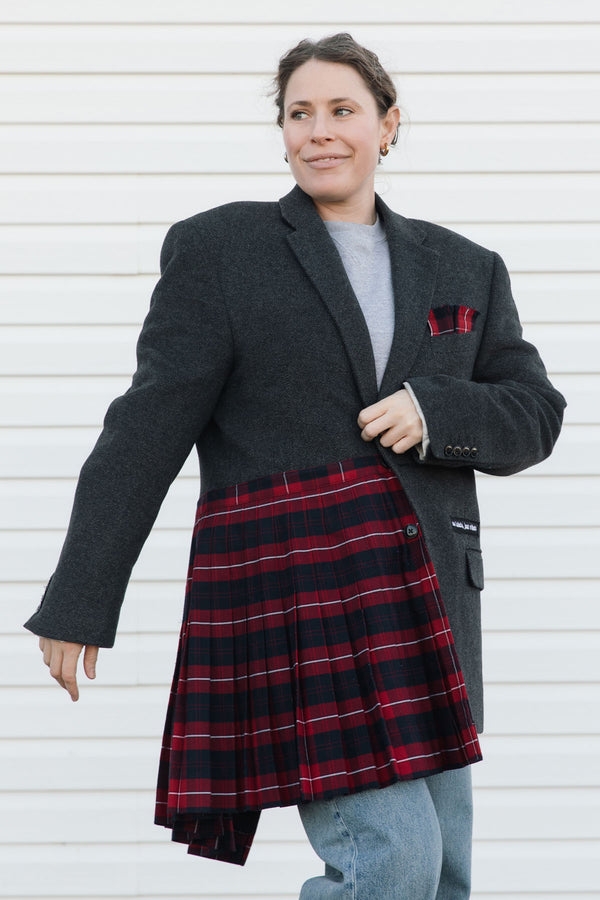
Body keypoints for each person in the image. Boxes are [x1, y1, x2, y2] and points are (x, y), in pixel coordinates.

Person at [25, 32, 565, 899]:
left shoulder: (467, 266)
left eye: (342, 110)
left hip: (429, 602)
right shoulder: (222, 250)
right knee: (393, 863)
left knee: (445, 876)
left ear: (388, 125)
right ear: (281, 132)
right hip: (304, 594)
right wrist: (81, 599)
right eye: (298, 113)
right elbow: (146, 429)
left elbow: (537, 413)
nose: (319, 131)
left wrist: (437, 410)